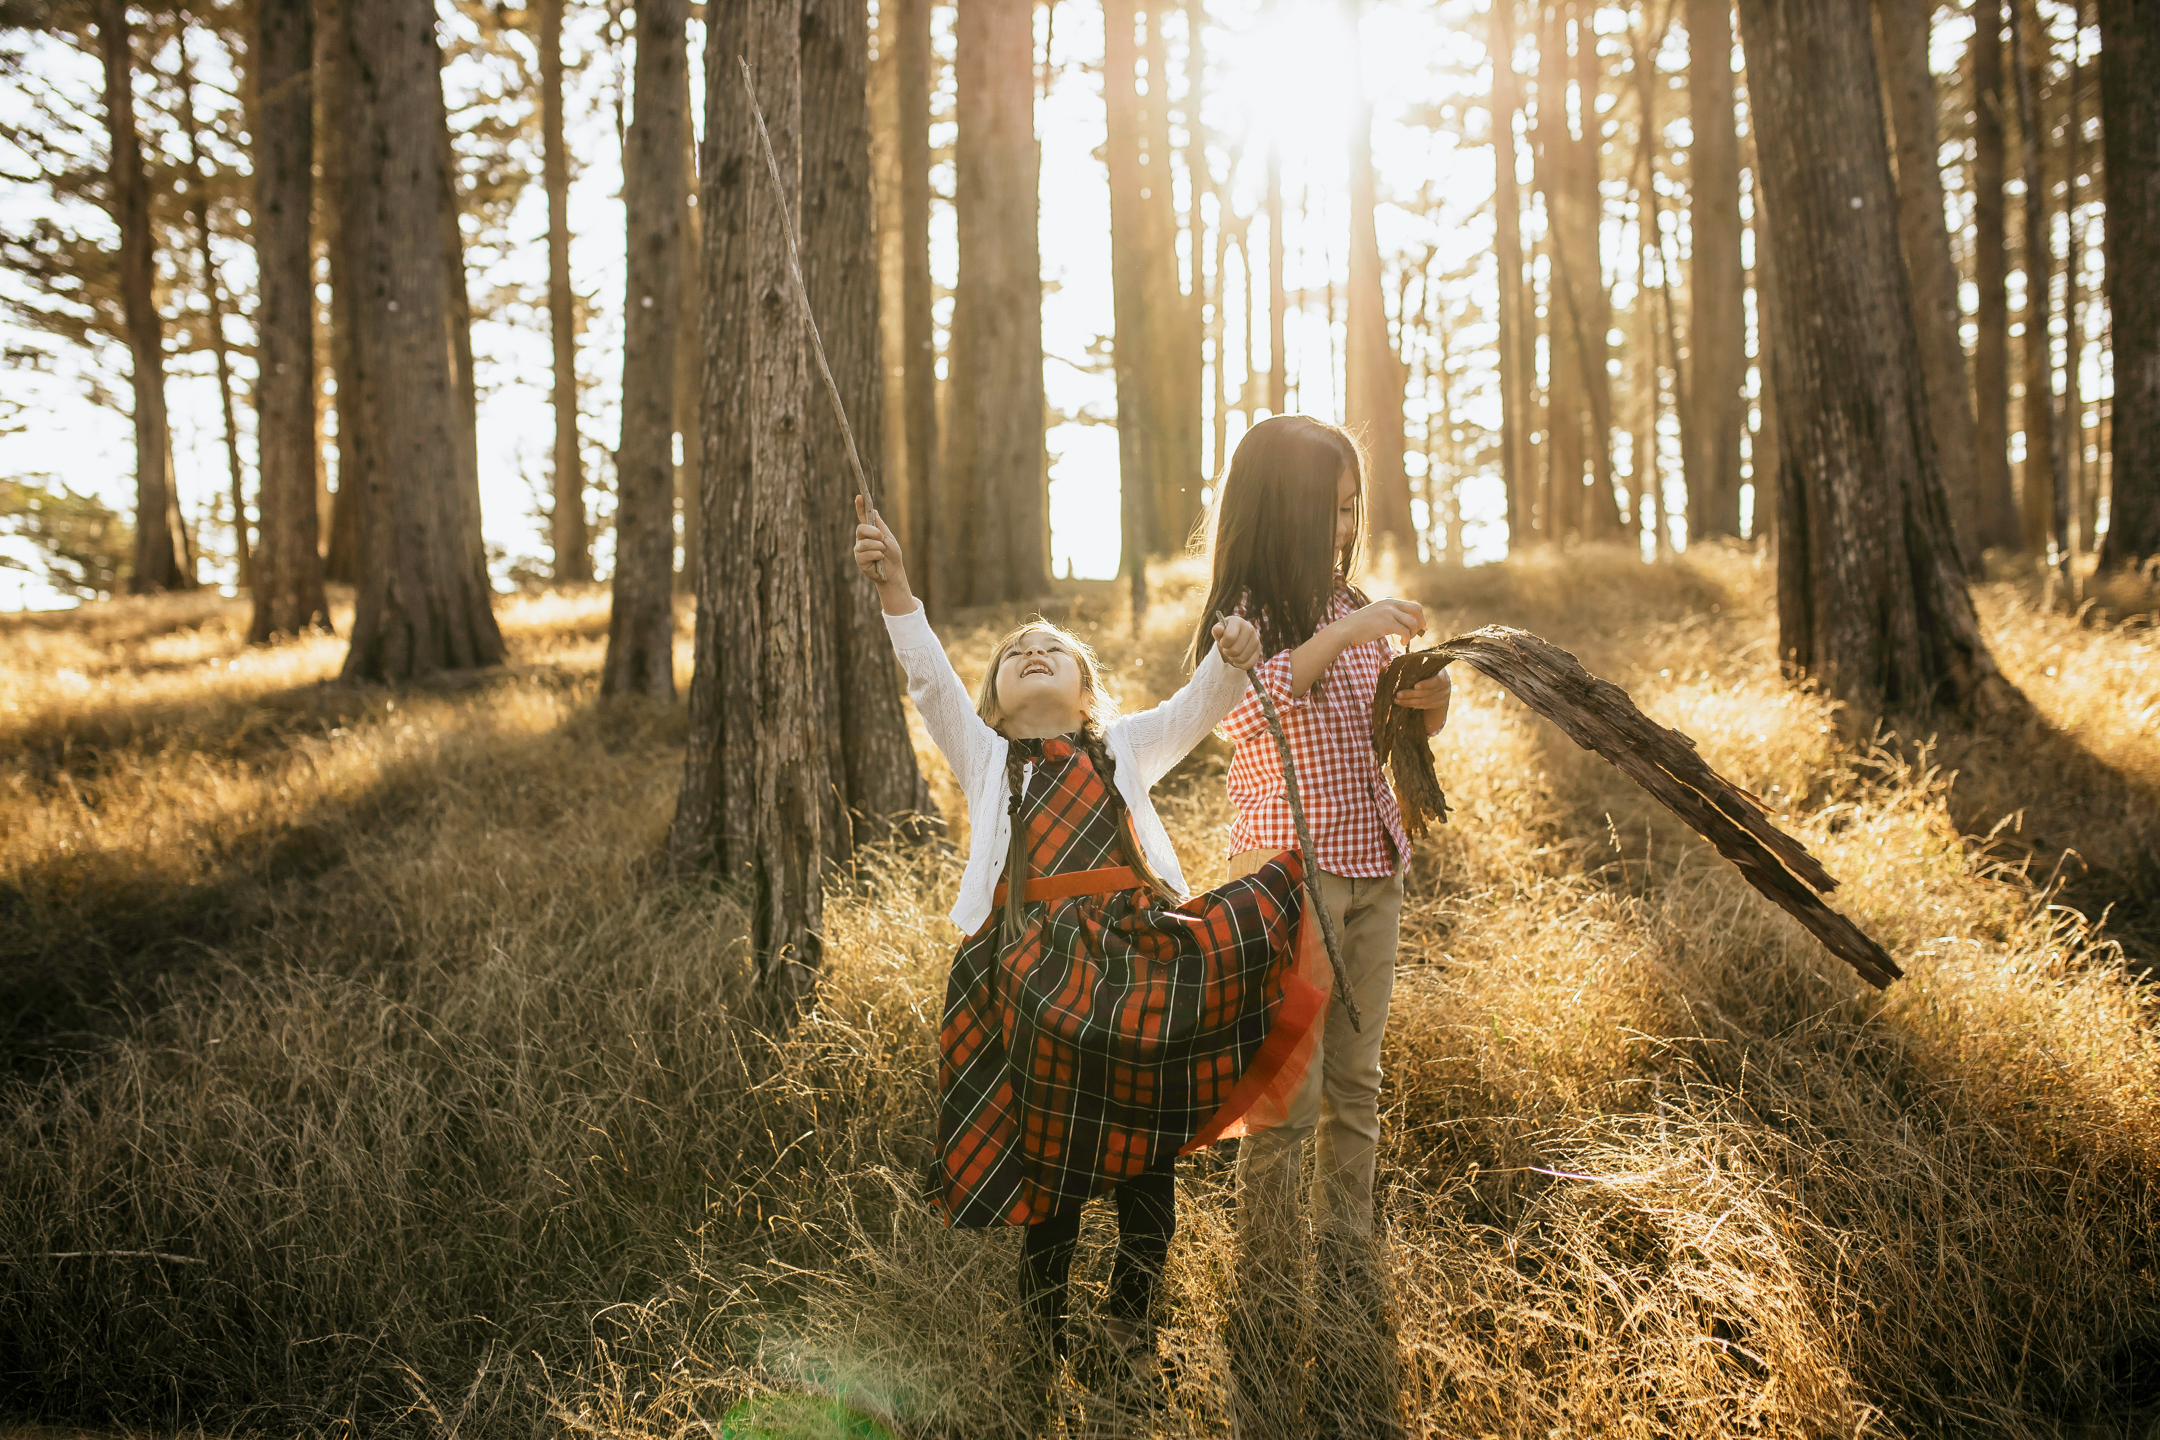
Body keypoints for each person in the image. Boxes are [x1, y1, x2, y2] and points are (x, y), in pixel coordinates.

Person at [850, 497, 1327, 1400]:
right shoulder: (986, 758)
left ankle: (1130, 1324)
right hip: (1034, 975)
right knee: (1054, 1163)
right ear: (994, 700)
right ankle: (1042, 1339)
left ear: (1086, 688)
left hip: (1136, 957)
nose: (1035, 652)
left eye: (1055, 650)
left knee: (1147, 1155)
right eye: (1016, 654)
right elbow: (926, 681)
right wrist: (897, 587)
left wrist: (1232, 658)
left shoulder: (1121, 747)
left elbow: (1198, 709)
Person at [1184, 415, 1452, 1436]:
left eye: (1354, 509)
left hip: (1374, 865)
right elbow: (1251, 712)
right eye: (1330, 508)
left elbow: (1365, 723)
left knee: (1359, 1078)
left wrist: (1422, 706)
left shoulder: (1347, 601)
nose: (1344, 527)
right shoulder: (1245, 615)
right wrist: (1348, 631)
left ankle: (1346, 1258)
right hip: (1292, 878)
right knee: (1283, 1093)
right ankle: (1266, 1280)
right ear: (1281, 508)